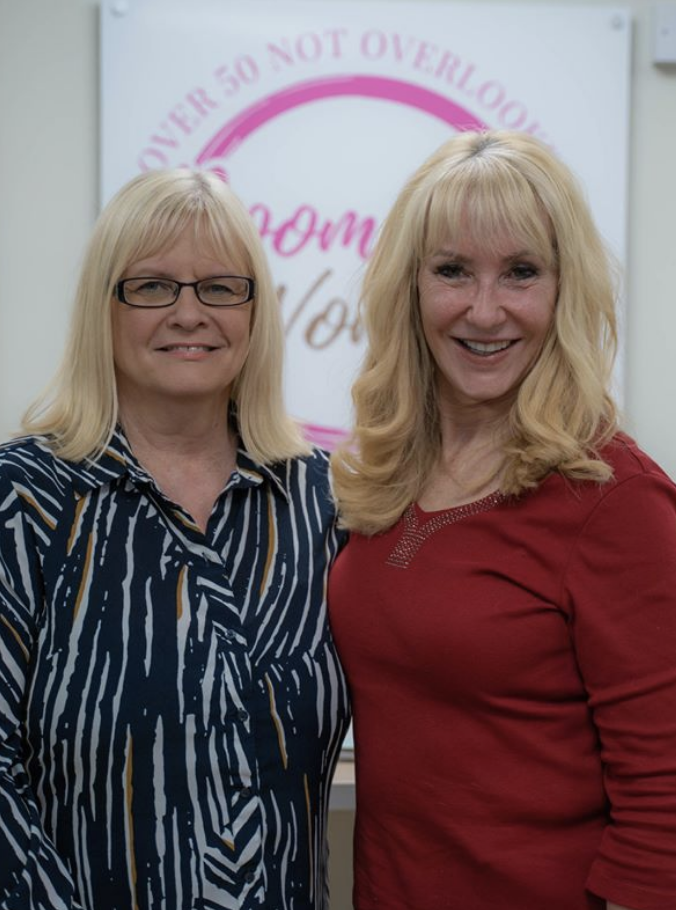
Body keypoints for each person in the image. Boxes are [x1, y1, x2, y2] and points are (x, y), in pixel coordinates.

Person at [328, 130, 676, 910]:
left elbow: (666, 803)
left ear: (565, 289)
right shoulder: (385, 479)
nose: (485, 311)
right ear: (410, 288)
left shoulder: (614, 499)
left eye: (522, 272)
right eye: (452, 270)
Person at [0, 168, 349, 910]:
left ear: (255, 312)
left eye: (220, 287)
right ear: (103, 308)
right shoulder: (23, 498)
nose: (189, 313)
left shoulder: (326, 502)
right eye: (153, 287)